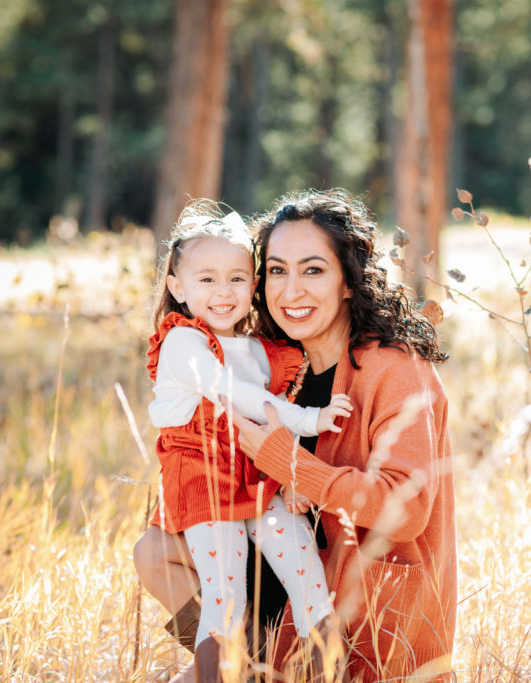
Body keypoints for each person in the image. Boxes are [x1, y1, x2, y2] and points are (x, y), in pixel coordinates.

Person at [234, 189, 457, 681]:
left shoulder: (395, 370)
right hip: (276, 612)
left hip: (367, 632)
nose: (291, 291)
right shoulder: (277, 371)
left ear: (349, 282)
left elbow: (405, 509)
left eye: (313, 270)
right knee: (156, 551)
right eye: (277, 270)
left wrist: (293, 465)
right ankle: (238, 660)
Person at [134, 204, 352, 681]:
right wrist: (311, 420)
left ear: (253, 285)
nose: (223, 291)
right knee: (225, 595)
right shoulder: (182, 344)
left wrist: (294, 474)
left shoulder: (259, 349)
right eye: (206, 280)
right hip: (207, 482)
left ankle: (321, 670)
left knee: (308, 577)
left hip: (260, 479)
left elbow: (272, 420)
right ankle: (234, 673)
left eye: (236, 278)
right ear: (177, 288)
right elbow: (235, 395)